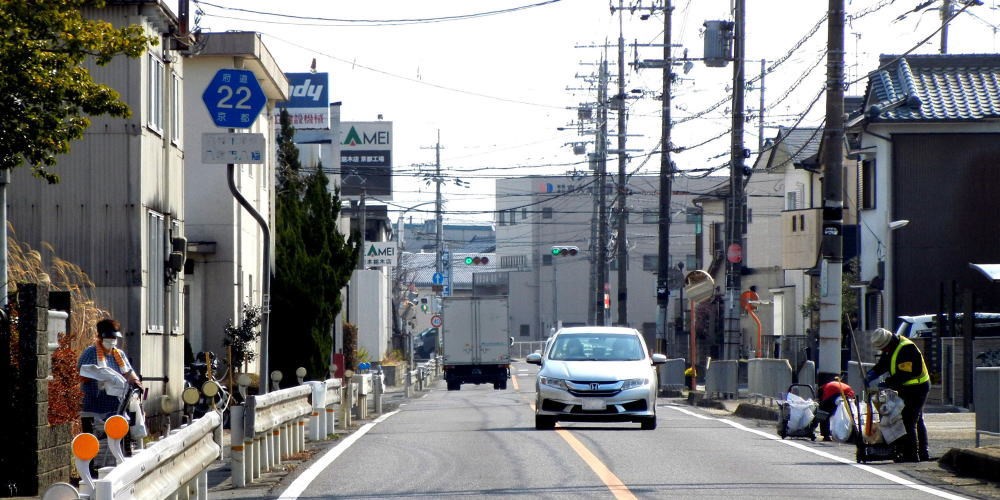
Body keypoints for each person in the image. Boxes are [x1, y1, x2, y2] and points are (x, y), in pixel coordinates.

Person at [865, 327, 930, 462]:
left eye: (883, 348)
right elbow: (884, 363)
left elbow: (904, 375)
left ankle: (912, 455)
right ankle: (923, 452)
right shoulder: (892, 347)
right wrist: (872, 373)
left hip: (917, 387)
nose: (883, 351)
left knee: (909, 419)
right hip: (907, 388)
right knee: (916, 418)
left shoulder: (906, 349)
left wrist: (885, 383)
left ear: (887, 343)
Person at [78, 319, 142, 436]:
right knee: (92, 438)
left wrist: (136, 382)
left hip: (115, 405)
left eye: (114, 338)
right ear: (100, 337)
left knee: (116, 436)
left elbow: (128, 372)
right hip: (93, 403)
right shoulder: (90, 352)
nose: (112, 341)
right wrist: (99, 377)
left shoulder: (119, 354)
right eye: (109, 338)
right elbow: (81, 374)